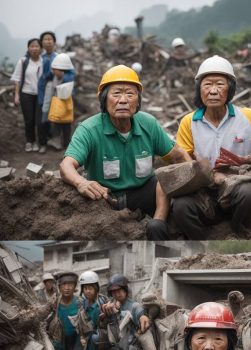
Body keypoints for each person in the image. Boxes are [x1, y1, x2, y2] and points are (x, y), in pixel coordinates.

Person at [60, 65, 191, 240]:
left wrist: (195, 181)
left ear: (138, 101)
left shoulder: (148, 124)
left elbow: (178, 156)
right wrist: (81, 183)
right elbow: (66, 165)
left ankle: (159, 222)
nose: (123, 100)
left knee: (162, 177)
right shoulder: (89, 129)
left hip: (143, 193)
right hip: (104, 198)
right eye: (116, 94)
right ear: (104, 100)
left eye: (130, 94)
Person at [172, 55, 251, 239]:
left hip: (239, 187)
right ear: (199, 89)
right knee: (181, 206)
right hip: (205, 192)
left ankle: (237, 230)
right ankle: (203, 241)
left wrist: (249, 163)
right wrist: (207, 174)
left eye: (219, 84)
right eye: (207, 85)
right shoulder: (189, 122)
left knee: (249, 194)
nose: (213, 91)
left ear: (230, 89)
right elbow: (182, 161)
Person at [10, 38, 43, 152]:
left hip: (40, 95)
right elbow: (17, 79)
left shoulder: (43, 61)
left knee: (39, 120)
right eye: (32, 46)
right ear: (28, 48)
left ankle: (39, 142)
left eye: (36, 46)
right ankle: (30, 141)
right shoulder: (23, 61)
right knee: (29, 119)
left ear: (40, 48)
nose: (34, 48)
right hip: (26, 94)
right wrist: (17, 95)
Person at [45, 53, 76, 153]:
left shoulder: (68, 77)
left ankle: (66, 145)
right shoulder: (55, 76)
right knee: (56, 124)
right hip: (57, 104)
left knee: (66, 125)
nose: (54, 72)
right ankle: (57, 143)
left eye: (56, 70)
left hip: (65, 103)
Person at [47, 271, 80, 350]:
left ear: (75, 286)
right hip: (58, 342)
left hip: (75, 342)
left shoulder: (80, 302)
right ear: (59, 287)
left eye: (70, 284)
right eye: (64, 284)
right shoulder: (54, 303)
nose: (67, 288)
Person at [77, 270, 106, 350]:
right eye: (85, 288)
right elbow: (80, 322)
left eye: (90, 288)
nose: (87, 291)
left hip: (100, 341)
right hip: (87, 341)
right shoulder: (83, 304)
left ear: (96, 288)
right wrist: (81, 336)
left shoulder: (102, 304)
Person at [37, 31, 58, 152]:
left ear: (54, 41)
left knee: (55, 117)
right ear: (42, 43)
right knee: (42, 118)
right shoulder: (40, 58)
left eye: (50, 39)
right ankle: (43, 143)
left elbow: (69, 74)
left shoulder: (59, 57)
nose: (48, 41)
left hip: (56, 93)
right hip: (41, 93)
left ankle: (55, 141)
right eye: (45, 39)